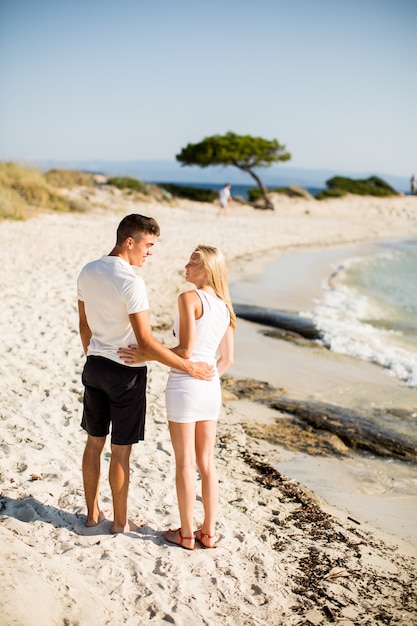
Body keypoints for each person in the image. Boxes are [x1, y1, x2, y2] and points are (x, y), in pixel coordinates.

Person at [77, 214, 214, 534]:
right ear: (130, 242)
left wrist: (95, 353)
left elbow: (84, 324)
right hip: (126, 374)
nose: (150, 252)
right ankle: (120, 523)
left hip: (94, 365)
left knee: (94, 442)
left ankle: (92, 514)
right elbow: (146, 342)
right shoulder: (131, 282)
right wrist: (189, 366)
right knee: (120, 451)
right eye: (148, 244)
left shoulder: (88, 270)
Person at [119, 244, 235, 549]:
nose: (186, 266)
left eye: (193, 262)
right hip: (210, 387)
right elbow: (227, 360)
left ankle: (185, 534)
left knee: (185, 463)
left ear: (208, 269)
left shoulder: (188, 298)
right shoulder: (224, 305)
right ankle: (208, 533)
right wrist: (207, 378)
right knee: (207, 463)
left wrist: (147, 353)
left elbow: (185, 351)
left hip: (185, 385)